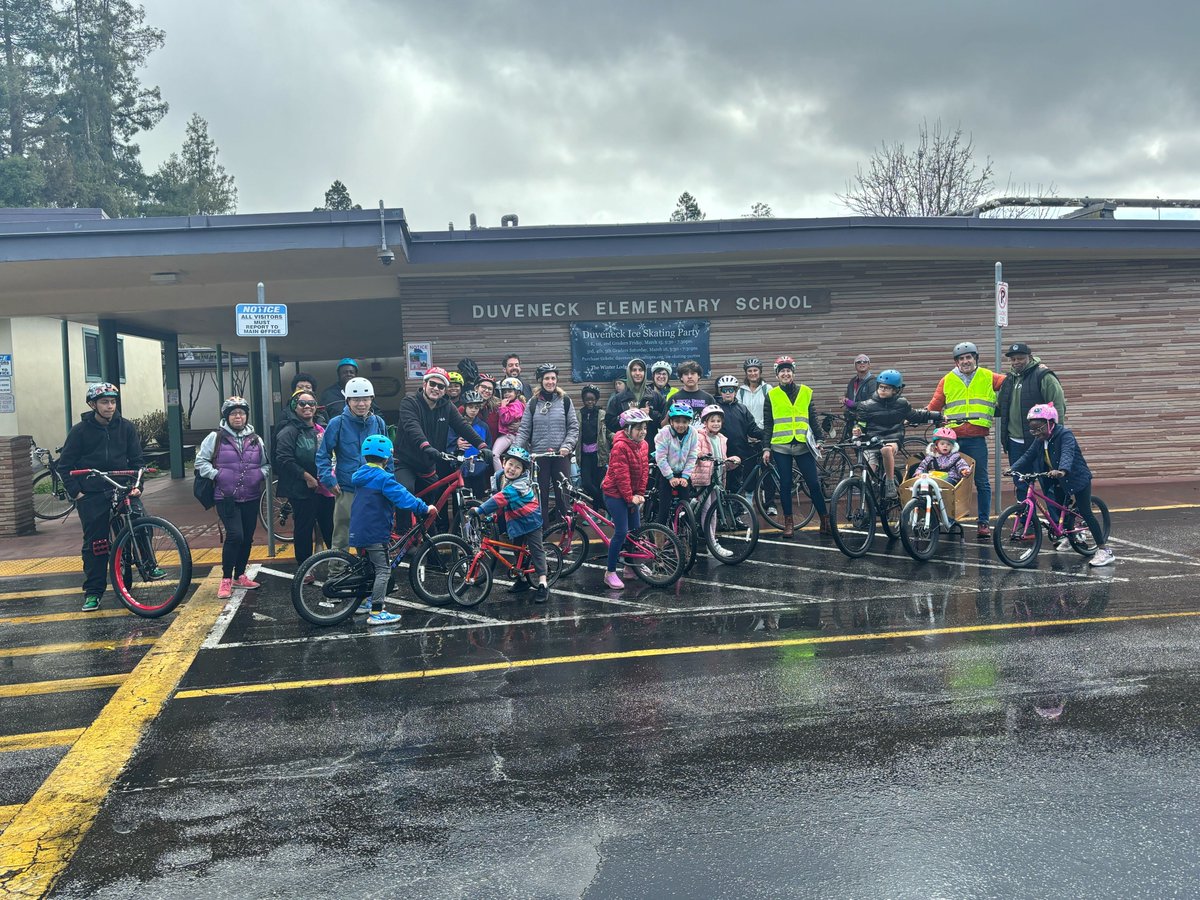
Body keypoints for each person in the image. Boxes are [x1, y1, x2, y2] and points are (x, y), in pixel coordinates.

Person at [57, 383, 152, 612]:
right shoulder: (80, 431)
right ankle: (93, 592)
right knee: (96, 543)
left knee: (142, 522)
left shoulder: (126, 428)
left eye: (113, 402)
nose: (110, 406)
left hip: (121, 487)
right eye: (104, 402)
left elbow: (137, 461)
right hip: (91, 492)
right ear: (93, 405)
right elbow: (65, 465)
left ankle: (149, 566)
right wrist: (77, 492)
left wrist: (138, 485)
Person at [1006, 404, 1114, 566]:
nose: (1036, 432)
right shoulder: (1040, 440)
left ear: (1051, 423)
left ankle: (1103, 550)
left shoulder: (1065, 435)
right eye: (1032, 429)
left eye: (1038, 428)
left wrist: (1062, 470)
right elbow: (1028, 455)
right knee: (1057, 507)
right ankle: (1069, 537)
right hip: (1057, 479)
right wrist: (1013, 469)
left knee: (1085, 511)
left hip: (1076, 477)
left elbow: (1067, 453)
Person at [925, 341, 1006, 541]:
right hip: (951, 441)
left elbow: (1013, 381)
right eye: (961, 358)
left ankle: (984, 523)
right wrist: (918, 416)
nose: (965, 361)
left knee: (981, 481)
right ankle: (949, 520)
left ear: (975, 358)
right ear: (956, 361)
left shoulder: (988, 376)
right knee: (948, 480)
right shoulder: (947, 380)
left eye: (969, 357)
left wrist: (1037, 367)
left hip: (977, 438)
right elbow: (934, 405)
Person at [349, 434, 433, 625]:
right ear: (387, 457)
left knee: (368, 567)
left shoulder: (361, 474)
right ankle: (377, 611)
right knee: (383, 570)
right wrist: (423, 507)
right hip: (375, 531)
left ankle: (363, 602)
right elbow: (403, 496)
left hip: (358, 529)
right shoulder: (383, 478)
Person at [395, 367, 491, 524]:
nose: (436, 388)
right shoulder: (410, 402)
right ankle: (402, 533)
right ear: (425, 383)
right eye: (432, 383)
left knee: (431, 504)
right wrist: (426, 446)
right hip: (406, 462)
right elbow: (412, 427)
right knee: (406, 490)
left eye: (441, 386)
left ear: (444, 390)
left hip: (428, 465)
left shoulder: (447, 407)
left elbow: (462, 426)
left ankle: (428, 540)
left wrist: (482, 446)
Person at [195, 397, 269, 600]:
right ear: (226, 417)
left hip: (251, 496)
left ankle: (240, 575)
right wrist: (217, 475)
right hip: (225, 497)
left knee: (247, 537)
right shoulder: (215, 437)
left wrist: (259, 475)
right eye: (234, 413)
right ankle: (226, 579)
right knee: (235, 535)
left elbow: (266, 464)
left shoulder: (256, 439)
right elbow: (200, 462)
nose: (238, 416)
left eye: (242, 413)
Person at [315, 376, 389, 551]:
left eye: (365, 399)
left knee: (373, 535)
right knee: (342, 536)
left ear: (372, 400)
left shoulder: (378, 423)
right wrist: (329, 480)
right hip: (347, 489)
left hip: (374, 488)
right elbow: (322, 455)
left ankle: (370, 572)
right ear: (347, 400)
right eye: (356, 400)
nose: (361, 404)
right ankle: (337, 573)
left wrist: (388, 482)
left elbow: (389, 457)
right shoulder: (337, 423)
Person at [761, 356, 829, 538]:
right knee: (785, 484)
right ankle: (788, 524)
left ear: (793, 372)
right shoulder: (771, 395)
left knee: (814, 483)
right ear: (777, 375)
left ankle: (825, 520)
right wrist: (766, 448)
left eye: (788, 370)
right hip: (781, 446)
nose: (785, 373)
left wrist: (820, 439)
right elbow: (768, 423)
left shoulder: (806, 392)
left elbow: (812, 418)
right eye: (781, 371)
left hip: (803, 445)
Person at [473, 446, 550, 603]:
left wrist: (480, 510)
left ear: (523, 471)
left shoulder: (519, 485)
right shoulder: (501, 477)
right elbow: (497, 499)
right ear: (503, 462)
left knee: (536, 550)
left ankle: (543, 583)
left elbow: (500, 499)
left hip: (531, 520)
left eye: (518, 467)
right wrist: (491, 516)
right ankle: (522, 581)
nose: (512, 469)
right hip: (515, 519)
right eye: (510, 464)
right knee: (517, 549)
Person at [274, 389, 336, 578]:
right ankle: (304, 568)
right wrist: (306, 477)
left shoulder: (321, 427)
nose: (307, 406)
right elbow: (283, 459)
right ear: (294, 407)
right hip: (301, 489)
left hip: (325, 487)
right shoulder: (288, 431)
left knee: (329, 526)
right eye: (302, 403)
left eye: (311, 403)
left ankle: (337, 564)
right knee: (304, 528)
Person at [853, 369, 942, 500]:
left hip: (893, 438)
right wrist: (857, 429)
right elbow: (860, 424)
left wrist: (938, 415)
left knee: (886, 450)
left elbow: (916, 415)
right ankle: (870, 500)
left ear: (895, 390)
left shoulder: (902, 403)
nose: (882, 390)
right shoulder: (866, 406)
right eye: (881, 387)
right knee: (869, 472)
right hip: (872, 440)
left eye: (887, 388)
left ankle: (890, 483)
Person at [997, 342, 1066, 502]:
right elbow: (1001, 407)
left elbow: (1058, 406)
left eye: (1020, 358)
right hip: (1014, 443)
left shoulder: (1044, 376)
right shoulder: (1008, 380)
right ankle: (1027, 523)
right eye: (1013, 359)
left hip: (1040, 441)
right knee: (1021, 485)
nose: (1016, 362)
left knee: (1048, 484)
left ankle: (1057, 524)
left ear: (1029, 357)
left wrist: (1056, 436)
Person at [515, 363, 579, 522]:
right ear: (540, 381)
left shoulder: (565, 401)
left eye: (553, 378)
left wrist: (567, 446)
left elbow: (573, 427)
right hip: (539, 456)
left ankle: (565, 528)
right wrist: (514, 451)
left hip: (560, 455)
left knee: (562, 494)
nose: (550, 382)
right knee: (540, 494)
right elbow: (524, 430)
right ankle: (542, 530)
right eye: (546, 379)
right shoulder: (533, 403)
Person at [600, 408, 651, 589]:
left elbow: (644, 471)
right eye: (638, 428)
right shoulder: (620, 446)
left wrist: (640, 494)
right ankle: (610, 571)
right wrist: (630, 498)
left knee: (635, 531)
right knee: (621, 532)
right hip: (614, 493)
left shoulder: (643, 445)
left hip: (632, 494)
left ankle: (630, 568)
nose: (642, 432)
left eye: (644, 427)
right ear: (628, 430)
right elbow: (621, 476)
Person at [693, 405, 741, 532]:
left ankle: (711, 540)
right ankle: (711, 541)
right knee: (707, 509)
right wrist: (700, 454)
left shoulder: (722, 439)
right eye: (712, 421)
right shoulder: (699, 436)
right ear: (705, 422)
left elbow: (722, 460)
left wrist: (732, 461)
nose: (716, 423)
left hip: (717, 480)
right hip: (704, 479)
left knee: (713, 511)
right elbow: (695, 450)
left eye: (718, 421)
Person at [714, 375, 762, 496]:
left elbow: (752, 429)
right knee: (722, 484)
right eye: (724, 390)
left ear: (735, 392)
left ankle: (737, 509)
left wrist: (767, 434)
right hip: (721, 454)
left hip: (740, 453)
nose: (728, 393)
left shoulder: (742, 409)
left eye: (731, 390)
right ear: (720, 392)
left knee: (738, 485)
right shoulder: (715, 408)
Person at [653, 403, 699, 527]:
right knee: (664, 508)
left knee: (686, 506)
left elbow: (692, 456)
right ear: (671, 421)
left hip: (683, 472)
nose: (681, 425)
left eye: (684, 422)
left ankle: (684, 535)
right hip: (666, 473)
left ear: (689, 422)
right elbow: (661, 458)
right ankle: (659, 541)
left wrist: (685, 477)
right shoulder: (664, 433)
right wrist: (670, 477)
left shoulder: (693, 433)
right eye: (677, 421)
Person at [604, 358, 664, 434]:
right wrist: (625, 416)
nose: (638, 373)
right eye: (634, 370)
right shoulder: (618, 399)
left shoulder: (655, 396)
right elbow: (609, 424)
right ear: (629, 373)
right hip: (626, 444)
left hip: (650, 444)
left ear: (645, 373)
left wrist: (651, 413)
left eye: (640, 370)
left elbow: (665, 421)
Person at [454, 389, 492, 499]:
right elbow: (449, 442)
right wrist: (456, 444)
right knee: (461, 499)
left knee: (480, 497)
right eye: (470, 407)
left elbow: (488, 445)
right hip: (460, 466)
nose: (473, 410)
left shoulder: (483, 426)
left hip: (479, 467)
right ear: (464, 407)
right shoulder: (456, 424)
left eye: (476, 408)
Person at [575, 384, 609, 508]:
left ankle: (597, 511)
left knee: (600, 484)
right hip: (584, 456)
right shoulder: (579, 415)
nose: (590, 402)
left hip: (599, 455)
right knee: (587, 484)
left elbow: (608, 432)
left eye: (593, 399)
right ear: (583, 400)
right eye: (587, 399)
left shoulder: (601, 414)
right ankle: (603, 506)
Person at [492, 376, 526, 471]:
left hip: (509, 436)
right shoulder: (511, 404)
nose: (506, 394)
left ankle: (500, 476)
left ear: (517, 392)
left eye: (510, 391)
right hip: (508, 435)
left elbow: (506, 420)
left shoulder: (516, 405)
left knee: (494, 454)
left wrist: (503, 406)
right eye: (505, 391)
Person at [736, 357, 772, 430]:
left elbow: (770, 412)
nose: (753, 373)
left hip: (764, 432)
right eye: (749, 371)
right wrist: (749, 431)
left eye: (755, 370)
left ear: (760, 372)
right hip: (746, 433)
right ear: (746, 373)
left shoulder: (768, 389)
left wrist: (758, 429)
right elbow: (739, 414)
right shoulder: (741, 391)